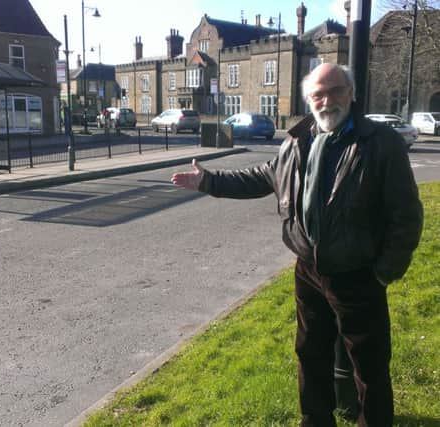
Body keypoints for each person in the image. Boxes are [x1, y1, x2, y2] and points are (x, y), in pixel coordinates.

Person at [170, 63, 423, 426]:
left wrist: (383, 273)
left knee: (369, 365)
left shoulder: (380, 143)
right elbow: (260, 176)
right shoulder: (299, 139)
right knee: (311, 353)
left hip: (359, 273)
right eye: (318, 94)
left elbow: (407, 215)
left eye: (335, 91)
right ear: (309, 100)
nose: (327, 100)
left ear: (351, 93)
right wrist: (208, 181)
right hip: (309, 268)